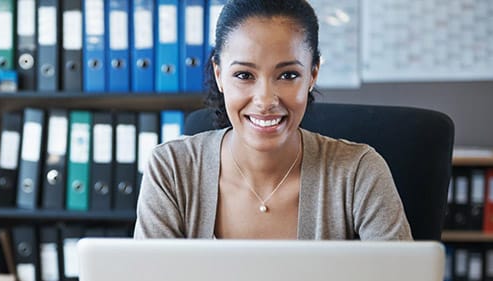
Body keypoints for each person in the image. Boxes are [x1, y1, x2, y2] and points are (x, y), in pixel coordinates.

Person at [134, 0, 411, 240]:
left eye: (288, 75)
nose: (265, 101)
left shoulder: (358, 173)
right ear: (219, 75)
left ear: (312, 75)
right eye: (244, 75)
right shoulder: (171, 171)